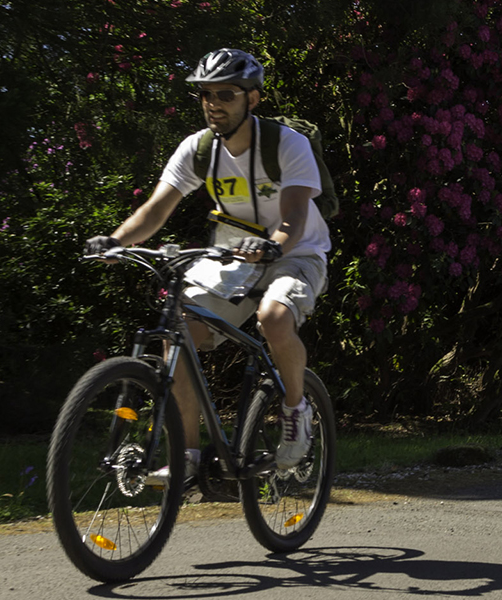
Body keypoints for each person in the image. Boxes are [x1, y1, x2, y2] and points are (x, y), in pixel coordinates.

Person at [84, 48, 329, 484]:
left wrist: (273, 246)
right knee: (179, 334)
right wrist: (116, 240)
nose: (214, 103)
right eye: (206, 95)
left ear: (252, 99)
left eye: (227, 94)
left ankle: (296, 412)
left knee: (273, 318)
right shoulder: (197, 149)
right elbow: (157, 208)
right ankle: (188, 457)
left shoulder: (287, 144)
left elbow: (293, 216)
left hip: (296, 252)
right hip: (235, 259)